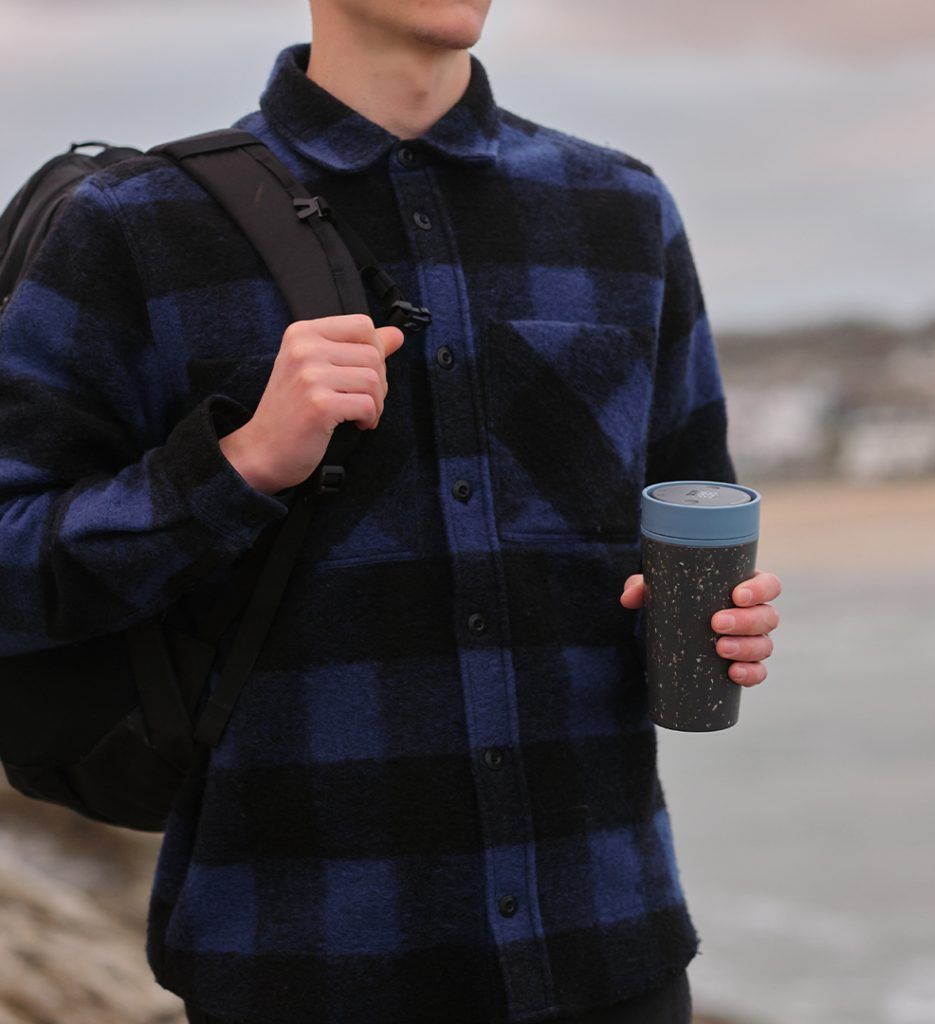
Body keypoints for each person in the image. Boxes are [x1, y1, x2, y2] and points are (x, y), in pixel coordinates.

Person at [0, 1, 781, 1021]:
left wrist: (713, 627)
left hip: (604, 949)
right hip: (298, 963)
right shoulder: (136, 227)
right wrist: (233, 466)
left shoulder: (622, 210)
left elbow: (684, 517)